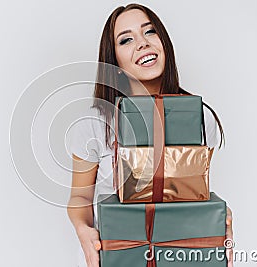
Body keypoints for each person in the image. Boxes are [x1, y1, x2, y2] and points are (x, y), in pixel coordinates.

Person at [67, 3, 233, 267]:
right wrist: (83, 230)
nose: (142, 43)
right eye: (126, 39)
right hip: (115, 255)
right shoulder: (95, 123)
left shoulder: (200, 118)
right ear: (115, 61)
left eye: (150, 32)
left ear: (163, 42)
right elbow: (80, 198)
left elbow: (194, 195)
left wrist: (220, 221)